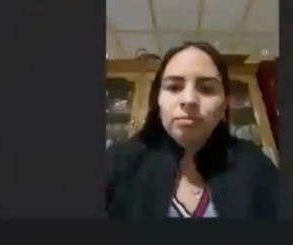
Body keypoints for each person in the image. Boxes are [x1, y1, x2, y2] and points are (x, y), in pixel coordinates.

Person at [105, 42, 279, 219]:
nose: (189, 100)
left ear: (224, 104)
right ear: (157, 100)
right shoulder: (118, 162)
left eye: (207, 89)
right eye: (174, 87)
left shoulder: (255, 164)